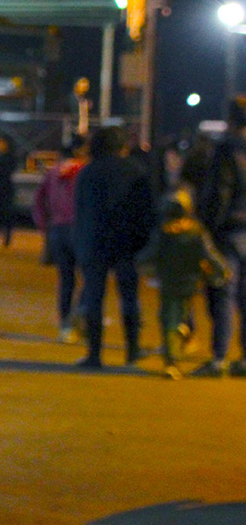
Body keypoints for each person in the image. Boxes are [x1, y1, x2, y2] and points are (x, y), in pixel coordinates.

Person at [73, 125, 154, 369]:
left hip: (94, 242)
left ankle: (94, 354)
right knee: (129, 297)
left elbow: (80, 212)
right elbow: (146, 212)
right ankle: (132, 350)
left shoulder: (87, 173)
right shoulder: (136, 171)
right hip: (127, 243)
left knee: (94, 298)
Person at [137, 190, 229, 379]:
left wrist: (143, 267)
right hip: (190, 283)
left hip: (168, 283)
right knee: (183, 315)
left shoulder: (164, 232)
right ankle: (184, 333)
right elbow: (209, 254)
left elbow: (149, 255)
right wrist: (222, 270)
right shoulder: (196, 231)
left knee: (168, 320)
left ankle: (171, 361)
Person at [194, 96, 246, 377]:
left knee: (224, 292)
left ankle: (220, 358)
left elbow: (219, 195)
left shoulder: (227, 150)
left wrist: (208, 229)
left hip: (230, 231)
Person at [33, 144, 88, 343]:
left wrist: (44, 226)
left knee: (66, 280)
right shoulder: (84, 171)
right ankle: (80, 317)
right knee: (90, 278)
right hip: (80, 231)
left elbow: (39, 200)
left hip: (57, 231)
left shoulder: (52, 173)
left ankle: (65, 324)